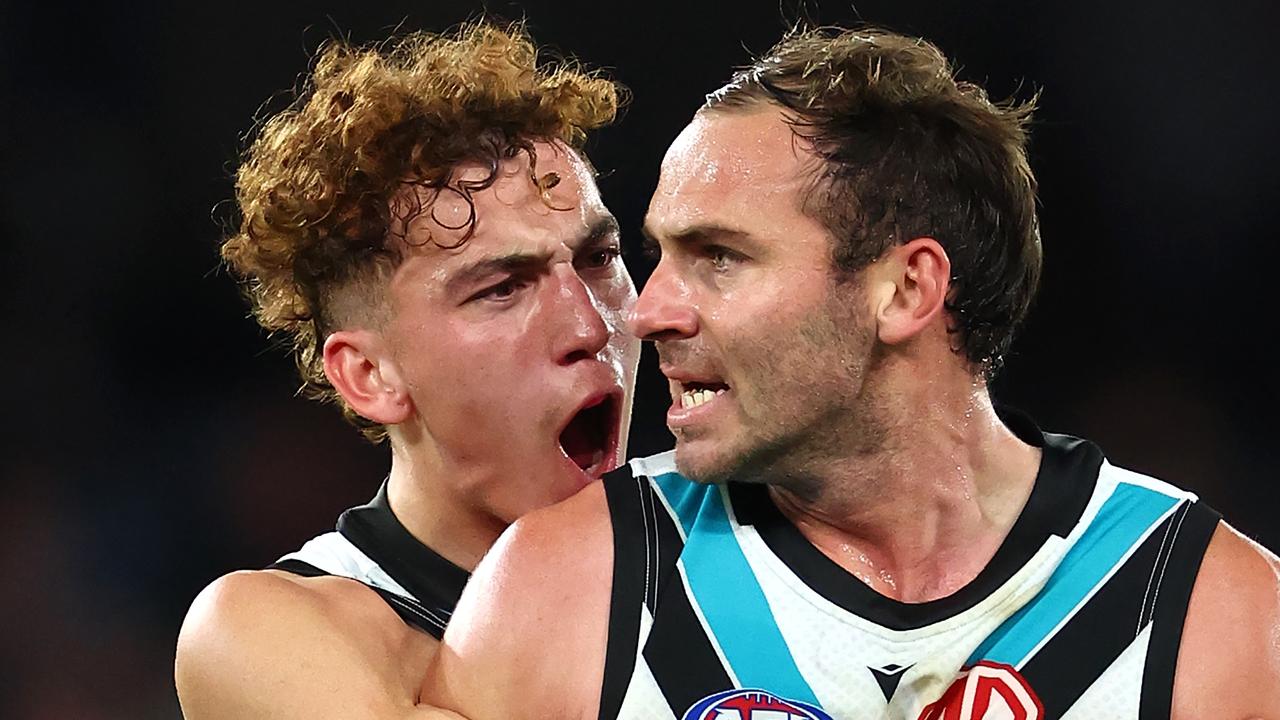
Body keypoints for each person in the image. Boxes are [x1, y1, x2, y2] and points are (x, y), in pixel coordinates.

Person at [421, 26, 1280, 720]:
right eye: (658, 255)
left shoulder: (1209, 612)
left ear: (907, 290)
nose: (648, 313)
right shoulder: (569, 591)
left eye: (719, 257)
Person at [174, 22, 640, 720]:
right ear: (369, 376)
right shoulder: (269, 632)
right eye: (502, 289)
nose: (589, 326)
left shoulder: (754, 546)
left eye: (598, 260)